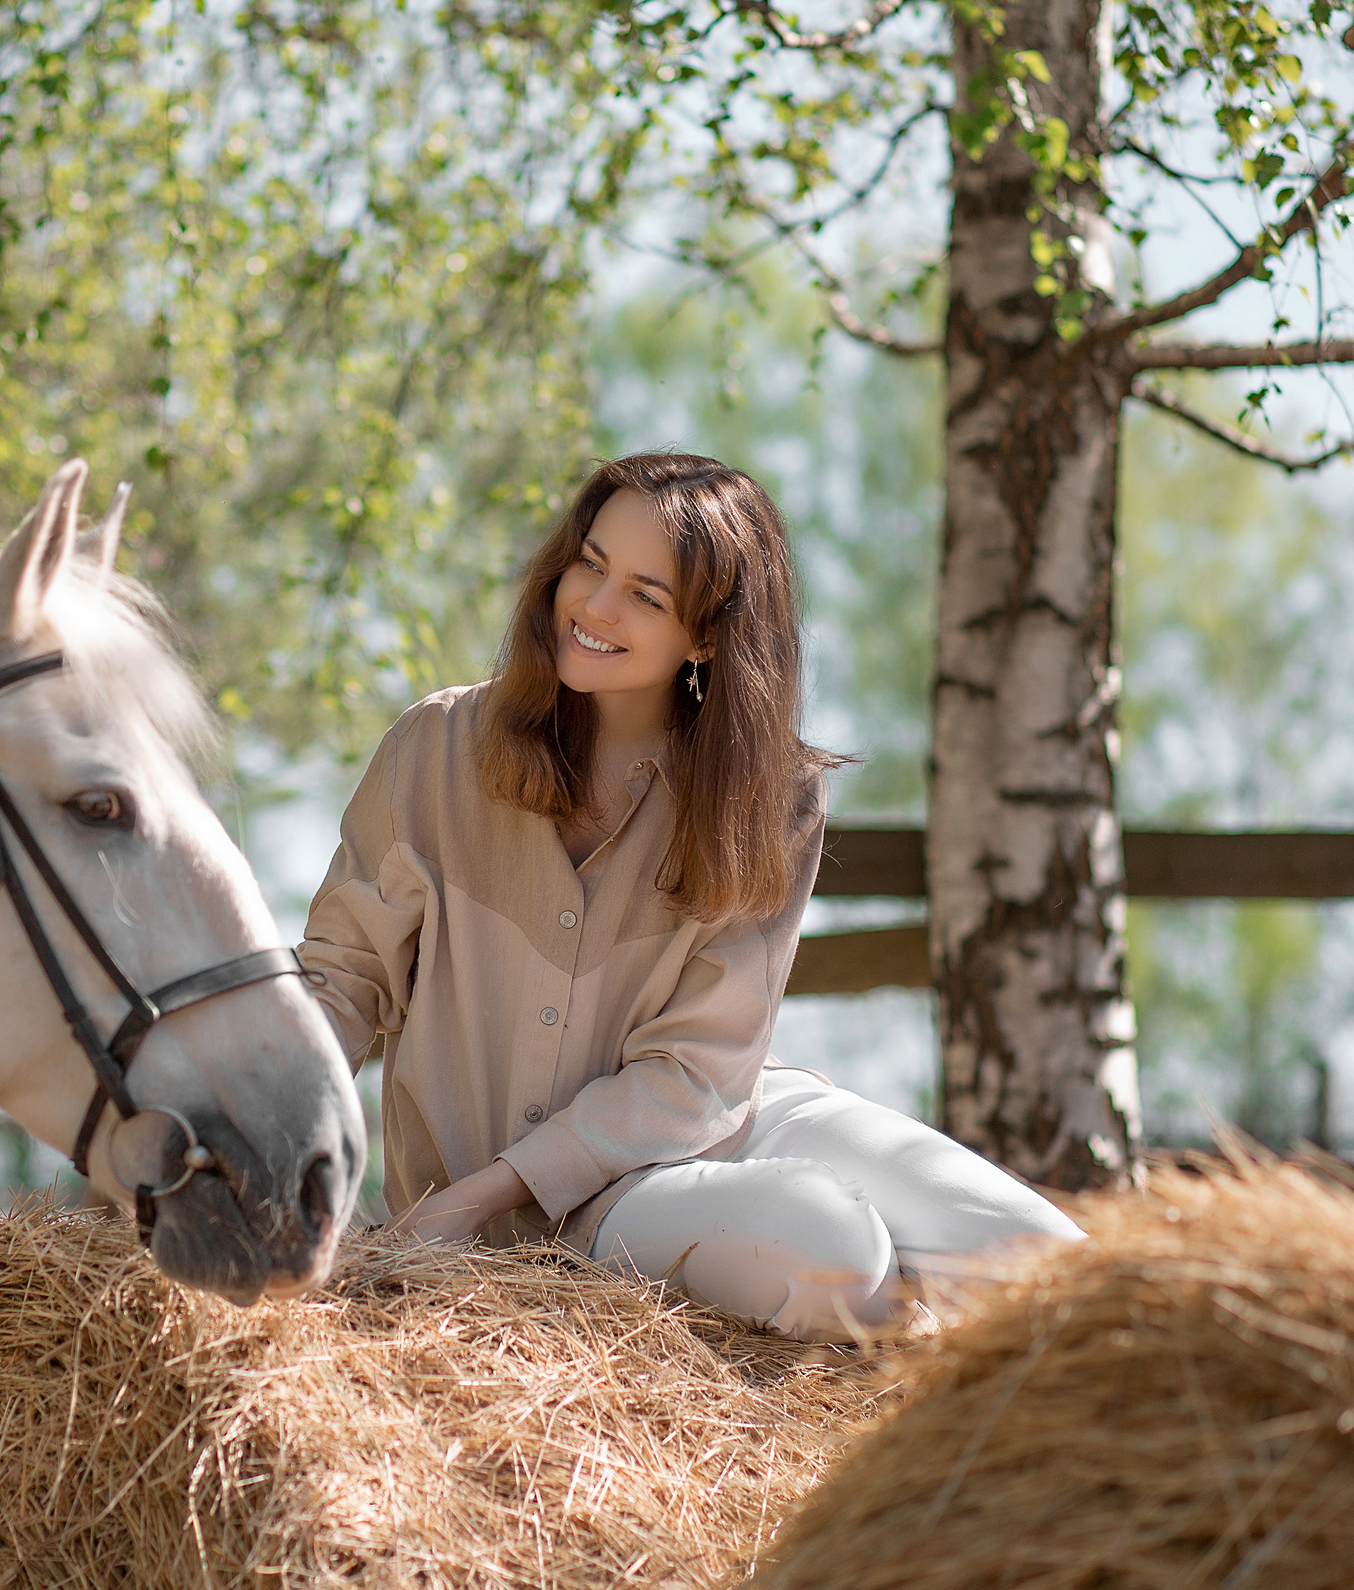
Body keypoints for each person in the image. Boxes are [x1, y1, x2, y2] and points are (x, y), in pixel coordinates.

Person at [297, 452, 1082, 1339]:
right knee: (834, 1248)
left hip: (713, 1112)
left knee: (1052, 1256)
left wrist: (479, 1195)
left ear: (706, 637)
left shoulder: (771, 797)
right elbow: (342, 976)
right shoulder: (436, 749)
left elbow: (698, 1070)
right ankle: (915, 1356)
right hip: (605, 1207)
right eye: (590, 564)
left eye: (645, 595)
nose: (594, 606)